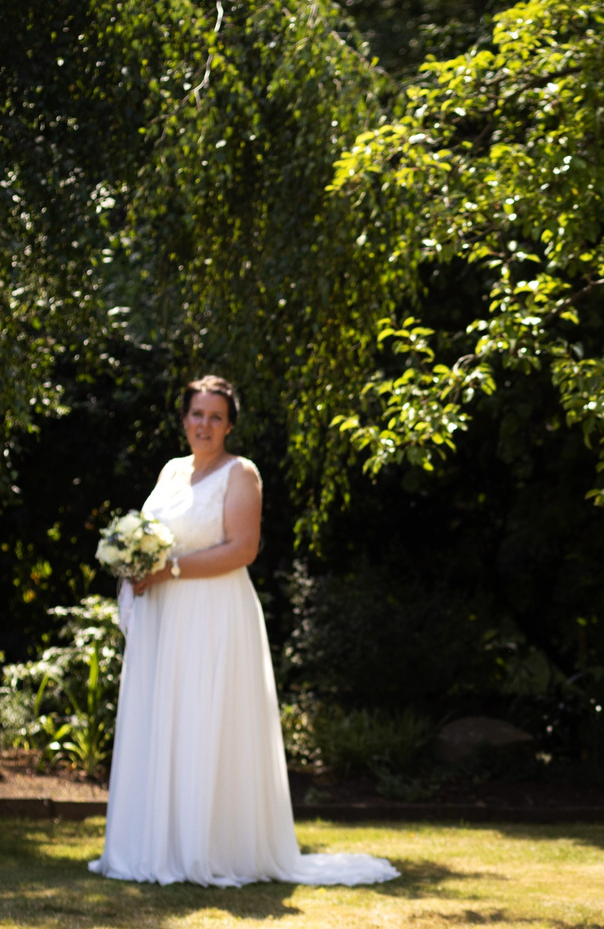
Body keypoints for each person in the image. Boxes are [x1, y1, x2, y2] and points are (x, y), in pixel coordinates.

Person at [91, 376, 398, 888]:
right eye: (196, 414)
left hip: (213, 615)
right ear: (184, 419)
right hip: (165, 617)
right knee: (165, 718)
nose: (204, 425)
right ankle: (156, 845)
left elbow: (243, 549)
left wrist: (169, 569)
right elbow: (150, 535)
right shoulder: (170, 471)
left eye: (215, 417)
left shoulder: (242, 474)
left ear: (229, 424)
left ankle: (212, 848)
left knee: (206, 719)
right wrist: (136, 561)